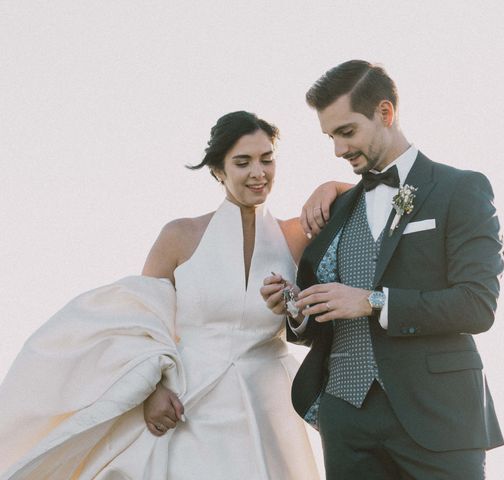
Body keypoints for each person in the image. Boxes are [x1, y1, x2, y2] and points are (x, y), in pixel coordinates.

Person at [0, 111, 348, 479]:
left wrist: (332, 187)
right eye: (242, 162)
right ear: (218, 171)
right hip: (188, 403)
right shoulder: (180, 236)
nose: (258, 172)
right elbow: (140, 320)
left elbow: (370, 201)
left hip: (269, 404)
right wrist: (151, 391)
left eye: (267, 159)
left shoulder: (295, 236)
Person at [261, 60, 504, 479]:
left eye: (347, 132)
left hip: (439, 415)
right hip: (345, 420)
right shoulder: (334, 208)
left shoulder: (459, 190)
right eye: (330, 137)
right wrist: (297, 309)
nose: (338, 150)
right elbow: (324, 317)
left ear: (385, 113)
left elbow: (477, 305)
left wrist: (373, 302)